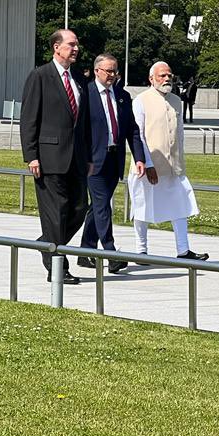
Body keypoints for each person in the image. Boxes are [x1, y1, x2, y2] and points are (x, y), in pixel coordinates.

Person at [20, 28, 92, 284]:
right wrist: (32, 156)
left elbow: (84, 122)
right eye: (71, 44)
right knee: (55, 213)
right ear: (56, 47)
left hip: (77, 158)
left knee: (79, 209)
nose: (76, 48)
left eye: (77, 44)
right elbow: (29, 119)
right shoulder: (40, 76)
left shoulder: (80, 79)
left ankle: (47, 242)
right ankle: (58, 268)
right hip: (48, 158)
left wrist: (89, 156)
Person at [129, 61, 207, 261]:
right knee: (142, 206)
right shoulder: (141, 101)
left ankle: (183, 250)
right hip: (147, 166)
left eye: (169, 76)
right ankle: (141, 251)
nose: (166, 79)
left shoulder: (176, 100)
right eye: (162, 76)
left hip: (174, 166)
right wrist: (148, 164)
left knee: (180, 204)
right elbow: (138, 136)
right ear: (151, 79)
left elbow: (179, 132)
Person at [77, 53, 146, 274]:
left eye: (115, 71)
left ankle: (86, 251)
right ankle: (110, 251)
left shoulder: (123, 96)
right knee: (102, 205)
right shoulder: (85, 94)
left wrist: (139, 157)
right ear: (97, 71)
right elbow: (79, 130)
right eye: (108, 71)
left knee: (97, 206)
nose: (113, 75)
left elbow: (132, 130)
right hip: (93, 161)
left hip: (114, 158)